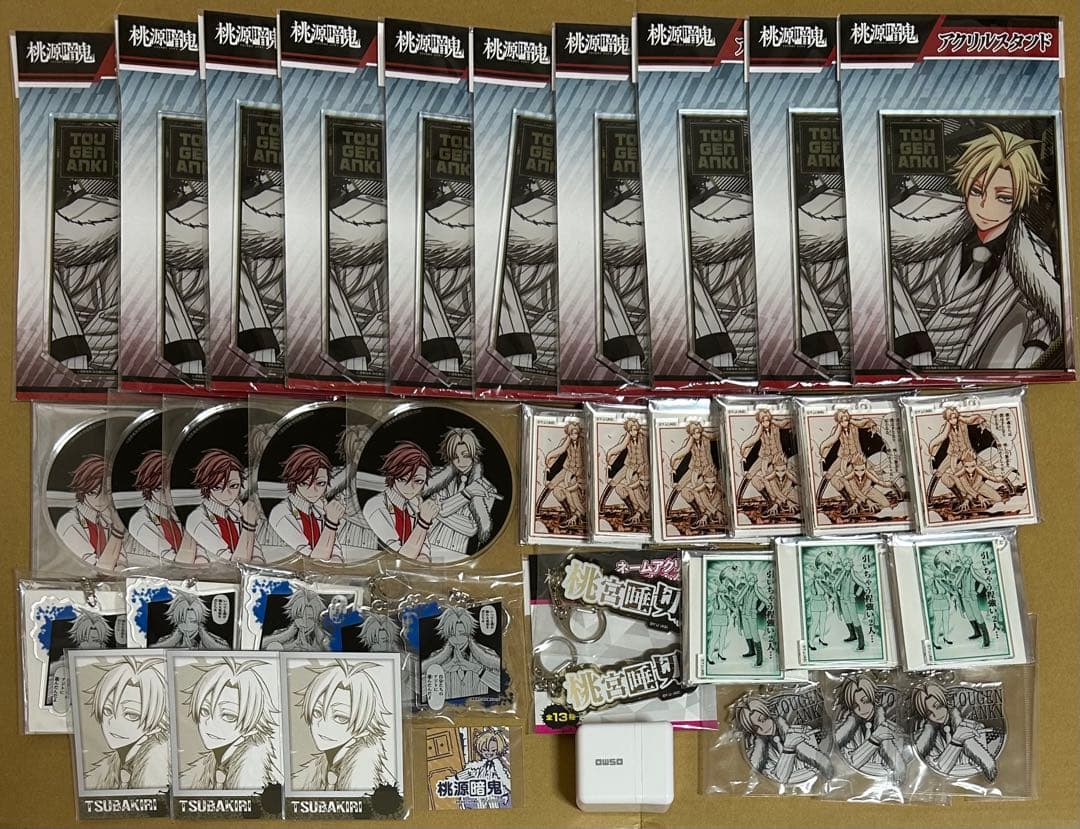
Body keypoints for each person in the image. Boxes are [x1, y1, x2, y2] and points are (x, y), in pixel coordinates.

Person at [890, 125, 1062, 370]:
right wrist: (910, 337)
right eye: (977, 191)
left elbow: (1045, 318)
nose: (985, 206)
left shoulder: (1034, 257)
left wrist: (1029, 360)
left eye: (1004, 198)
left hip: (963, 374)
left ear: (1021, 198)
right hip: (891, 361)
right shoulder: (922, 216)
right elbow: (875, 269)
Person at [292, 660, 395, 792]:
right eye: (317, 712)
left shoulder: (369, 778)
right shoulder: (313, 774)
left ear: (364, 727)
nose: (322, 725)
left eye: (340, 718)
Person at [180, 658, 281, 791]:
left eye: (228, 716)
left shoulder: (257, 776)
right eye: (204, 711)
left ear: (254, 723)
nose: (210, 724)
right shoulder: (206, 768)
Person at [83, 656, 169, 790]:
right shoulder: (109, 769)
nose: (113, 723)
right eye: (107, 710)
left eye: (132, 715)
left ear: (157, 722)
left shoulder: (158, 766)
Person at [423, 428, 498, 560]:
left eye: (466, 455)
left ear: (474, 454)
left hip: (456, 553)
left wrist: (436, 509)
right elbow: (433, 508)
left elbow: (471, 528)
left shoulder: (487, 489)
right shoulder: (437, 476)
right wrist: (467, 493)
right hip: (426, 545)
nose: (460, 461)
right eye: (455, 456)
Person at [362, 442, 438, 562]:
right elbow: (401, 556)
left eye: (418, 481)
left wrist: (424, 558)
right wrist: (424, 522)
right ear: (392, 476)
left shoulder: (413, 505)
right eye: (403, 479)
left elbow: (424, 546)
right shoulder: (376, 506)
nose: (410, 487)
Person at [269, 445, 346, 563]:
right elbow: (313, 560)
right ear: (293, 482)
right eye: (304, 483)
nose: (313, 491)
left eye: (320, 483)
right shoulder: (281, 513)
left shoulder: (320, 509)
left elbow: (336, 553)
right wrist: (331, 523)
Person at [731, 696, 833, 784]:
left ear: (769, 714)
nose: (763, 728)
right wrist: (789, 748)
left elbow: (815, 768)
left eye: (763, 719)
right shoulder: (759, 753)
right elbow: (779, 779)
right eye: (756, 728)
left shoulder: (803, 732)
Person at [184, 449, 260, 563]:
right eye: (218, 487)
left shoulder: (237, 513)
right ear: (206, 487)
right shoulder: (197, 519)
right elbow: (235, 562)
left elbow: (258, 557)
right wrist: (249, 525)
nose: (227, 494)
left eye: (234, 486)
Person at [912, 682, 997, 781]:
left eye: (938, 706)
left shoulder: (975, 728)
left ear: (945, 703)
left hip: (972, 782)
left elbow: (976, 769)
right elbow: (937, 771)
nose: (936, 714)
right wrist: (956, 741)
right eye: (929, 713)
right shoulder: (921, 741)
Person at [55, 454, 124, 570]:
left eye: (107, 493)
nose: (101, 500)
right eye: (92, 493)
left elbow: (123, 562)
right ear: (82, 490)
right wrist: (117, 532)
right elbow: (99, 570)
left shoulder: (108, 519)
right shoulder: (69, 523)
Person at [422, 606, 501, 702]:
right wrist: (444, 669)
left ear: (469, 633)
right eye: (452, 634)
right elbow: (421, 691)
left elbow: (502, 684)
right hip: (449, 709)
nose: (457, 639)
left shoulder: (487, 655)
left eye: (462, 634)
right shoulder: (436, 657)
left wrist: (476, 669)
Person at [833, 675, 905, 780]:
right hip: (853, 782)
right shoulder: (843, 731)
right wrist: (874, 739)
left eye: (865, 701)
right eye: (855, 705)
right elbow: (847, 765)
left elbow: (896, 765)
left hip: (884, 783)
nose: (862, 709)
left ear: (874, 698)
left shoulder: (892, 729)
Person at [126, 450, 186, 563]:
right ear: (148, 487)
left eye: (170, 485)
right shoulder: (140, 521)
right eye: (159, 488)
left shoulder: (175, 515)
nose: (167, 493)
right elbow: (175, 559)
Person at [739, 410, 798, 517]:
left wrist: (775, 421)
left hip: (776, 455)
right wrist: (743, 448)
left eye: (767, 420)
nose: (765, 422)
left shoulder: (776, 426)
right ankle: (739, 499)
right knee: (750, 475)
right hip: (764, 456)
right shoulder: (759, 429)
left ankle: (778, 502)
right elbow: (753, 439)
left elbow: (789, 422)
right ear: (760, 421)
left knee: (773, 477)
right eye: (763, 420)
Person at [444, 727, 512, 809]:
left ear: (498, 750)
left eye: (493, 750)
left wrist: (504, 794)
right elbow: (469, 773)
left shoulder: (499, 767)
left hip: (495, 796)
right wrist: (453, 779)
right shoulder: (478, 766)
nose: (489, 753)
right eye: (485, 750)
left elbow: (505, 781)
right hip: (480, 796)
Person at [602, 417, 649, 524]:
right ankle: (632, 511)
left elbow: (650, 433)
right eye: (631, 430)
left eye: (635, 430)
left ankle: (640, 512)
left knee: (635, 488)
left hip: (642, 466)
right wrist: (609, 453)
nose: (633, 432)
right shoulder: (627, 438)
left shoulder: (643, 437)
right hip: (629, 465)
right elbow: (621, 447)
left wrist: (640, 429)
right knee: (614, 482)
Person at [541, 421, 586, 529]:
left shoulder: (583, 442)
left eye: (575, 433)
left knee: (571, 489)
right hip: (567, 468)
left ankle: (577, 515)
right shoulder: (567, 441)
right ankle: (570, 514)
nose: (574, 436)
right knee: (552, 485)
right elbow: (561, 450)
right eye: (571, 434)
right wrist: (549, 456)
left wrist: (580, 475)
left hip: (579, 471)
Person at [154, 591, 229, 650]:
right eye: (182, 621)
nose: (188, 625)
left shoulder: (214, 639)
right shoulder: (165, 640)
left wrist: (205, 637)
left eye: (193, 621)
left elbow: (227, 652)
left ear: (199, 621)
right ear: (176, 621)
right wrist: (173, 640)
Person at [261, 588, 331, 651]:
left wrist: (311, 649)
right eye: (300, 616)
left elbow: (330, 650)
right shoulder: (283, 633)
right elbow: (262, 645)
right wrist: (288, 634)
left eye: (310, 618)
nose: (304, 621)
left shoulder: (322, 637)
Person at [832, 550, 872, 651]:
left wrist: (857, 594)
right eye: (845, 564)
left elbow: (863, 585)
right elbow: (835, 585)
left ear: (851, 565)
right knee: (847, 618)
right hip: (843, 599)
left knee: (855, 619)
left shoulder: (855, 574)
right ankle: (852, 635)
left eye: (848, 564)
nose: (846, 565)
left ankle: (861, 643)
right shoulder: (841, 574)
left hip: (850, 599)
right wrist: (839, 592)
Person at [952, 552, 993, 648]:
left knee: (978, 616)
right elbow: (956, 583)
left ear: (970, 562)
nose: (965, 564)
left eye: (967, 562)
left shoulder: (974, 571)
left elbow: (983, 582)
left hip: (972, 597)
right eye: (964, 562)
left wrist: (978, 591)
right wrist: (960, 590)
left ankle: (986, 639)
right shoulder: (962, 572)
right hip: (964, 597)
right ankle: (977, 632)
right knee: (970, 615)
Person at [926, 552, 956, 651]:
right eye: (938, 576)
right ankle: (935, 641)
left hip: (944, 601)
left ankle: (946, 638)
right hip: (937, 602)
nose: (940, 577)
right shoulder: (932, 581)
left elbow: (949, 587)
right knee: (938, 622)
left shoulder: (944, 580)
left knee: (946, 621)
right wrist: (938, 579)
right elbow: (934, 588)